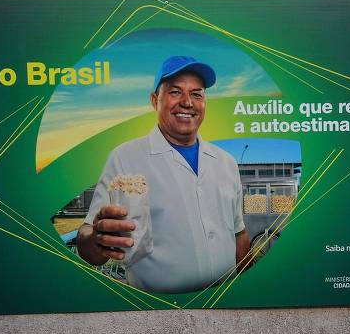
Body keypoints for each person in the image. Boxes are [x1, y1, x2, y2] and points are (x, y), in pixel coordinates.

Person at [77, 55, 251, 293]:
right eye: (175, 92)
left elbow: (239, 233)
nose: (187, 102)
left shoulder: (226, 162)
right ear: (154, 100)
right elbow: (88, 238)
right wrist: (97, 238)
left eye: (197, 94)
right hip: (157, 310)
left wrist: (249, 290)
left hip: (223, 302)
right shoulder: (124, 158)